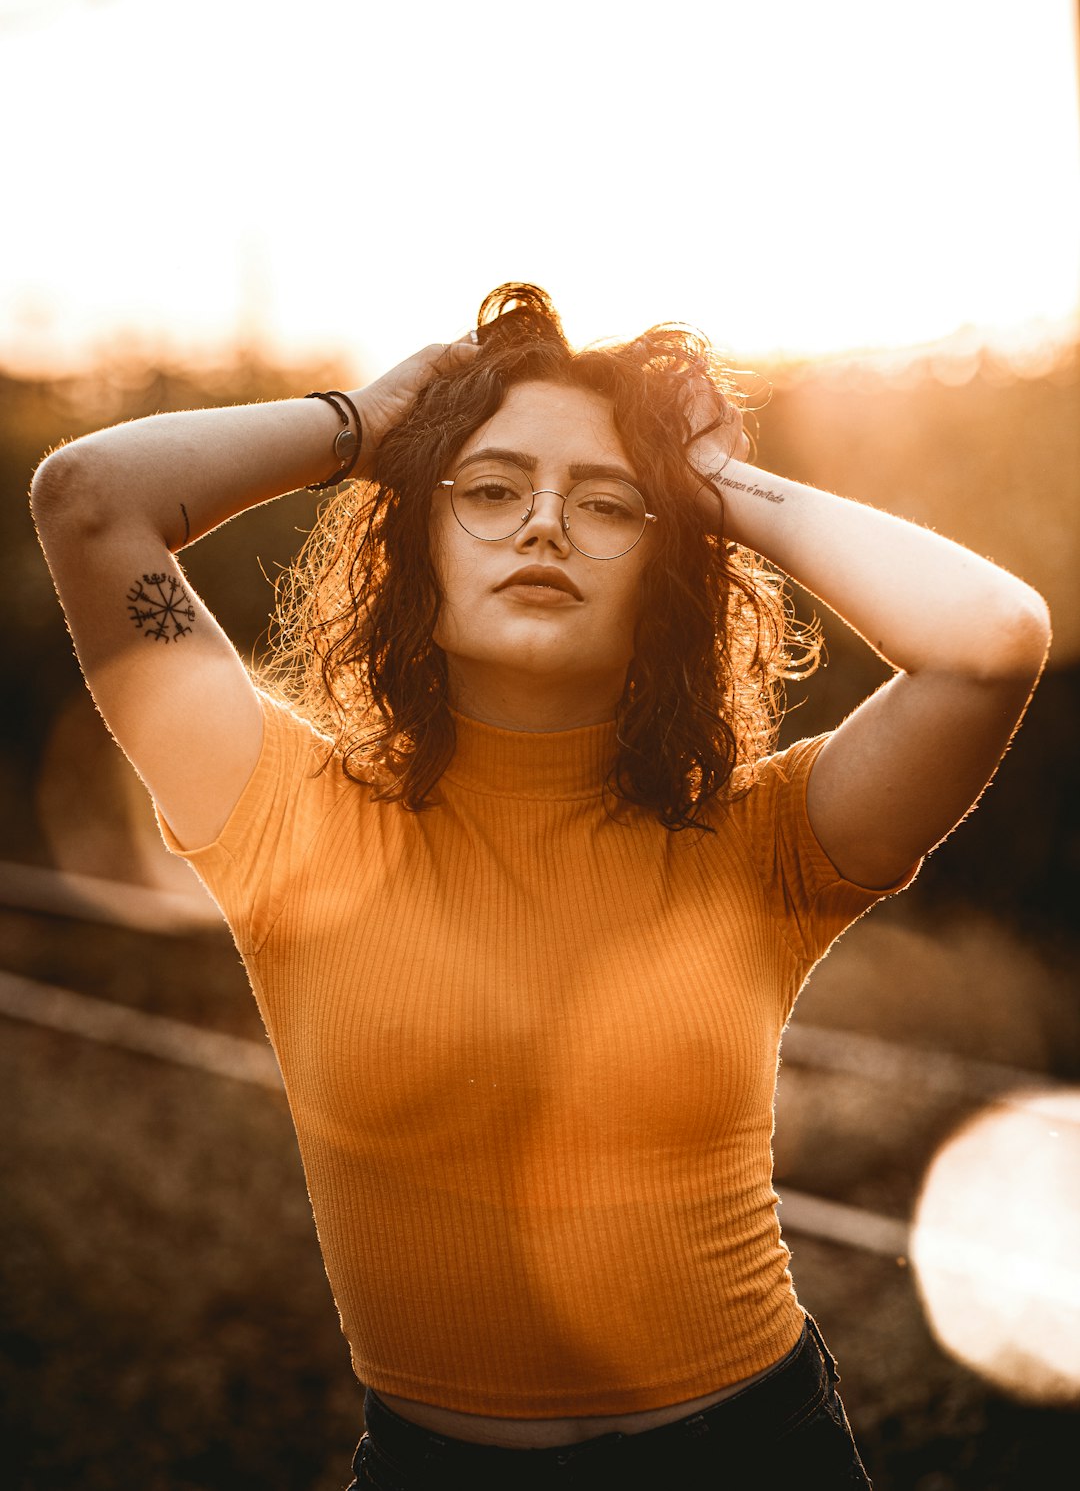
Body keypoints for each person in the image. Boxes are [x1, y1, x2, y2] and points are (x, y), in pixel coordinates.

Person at [30, 284, 1050, 1490]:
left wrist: (711, 483)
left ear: (666, 573)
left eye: (610, 500)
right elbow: (89, 501)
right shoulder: (285, 814)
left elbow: (991, 638)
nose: (547, 525)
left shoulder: (756, 838)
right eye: (494, 489)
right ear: (420, 541)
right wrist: (361, 423)